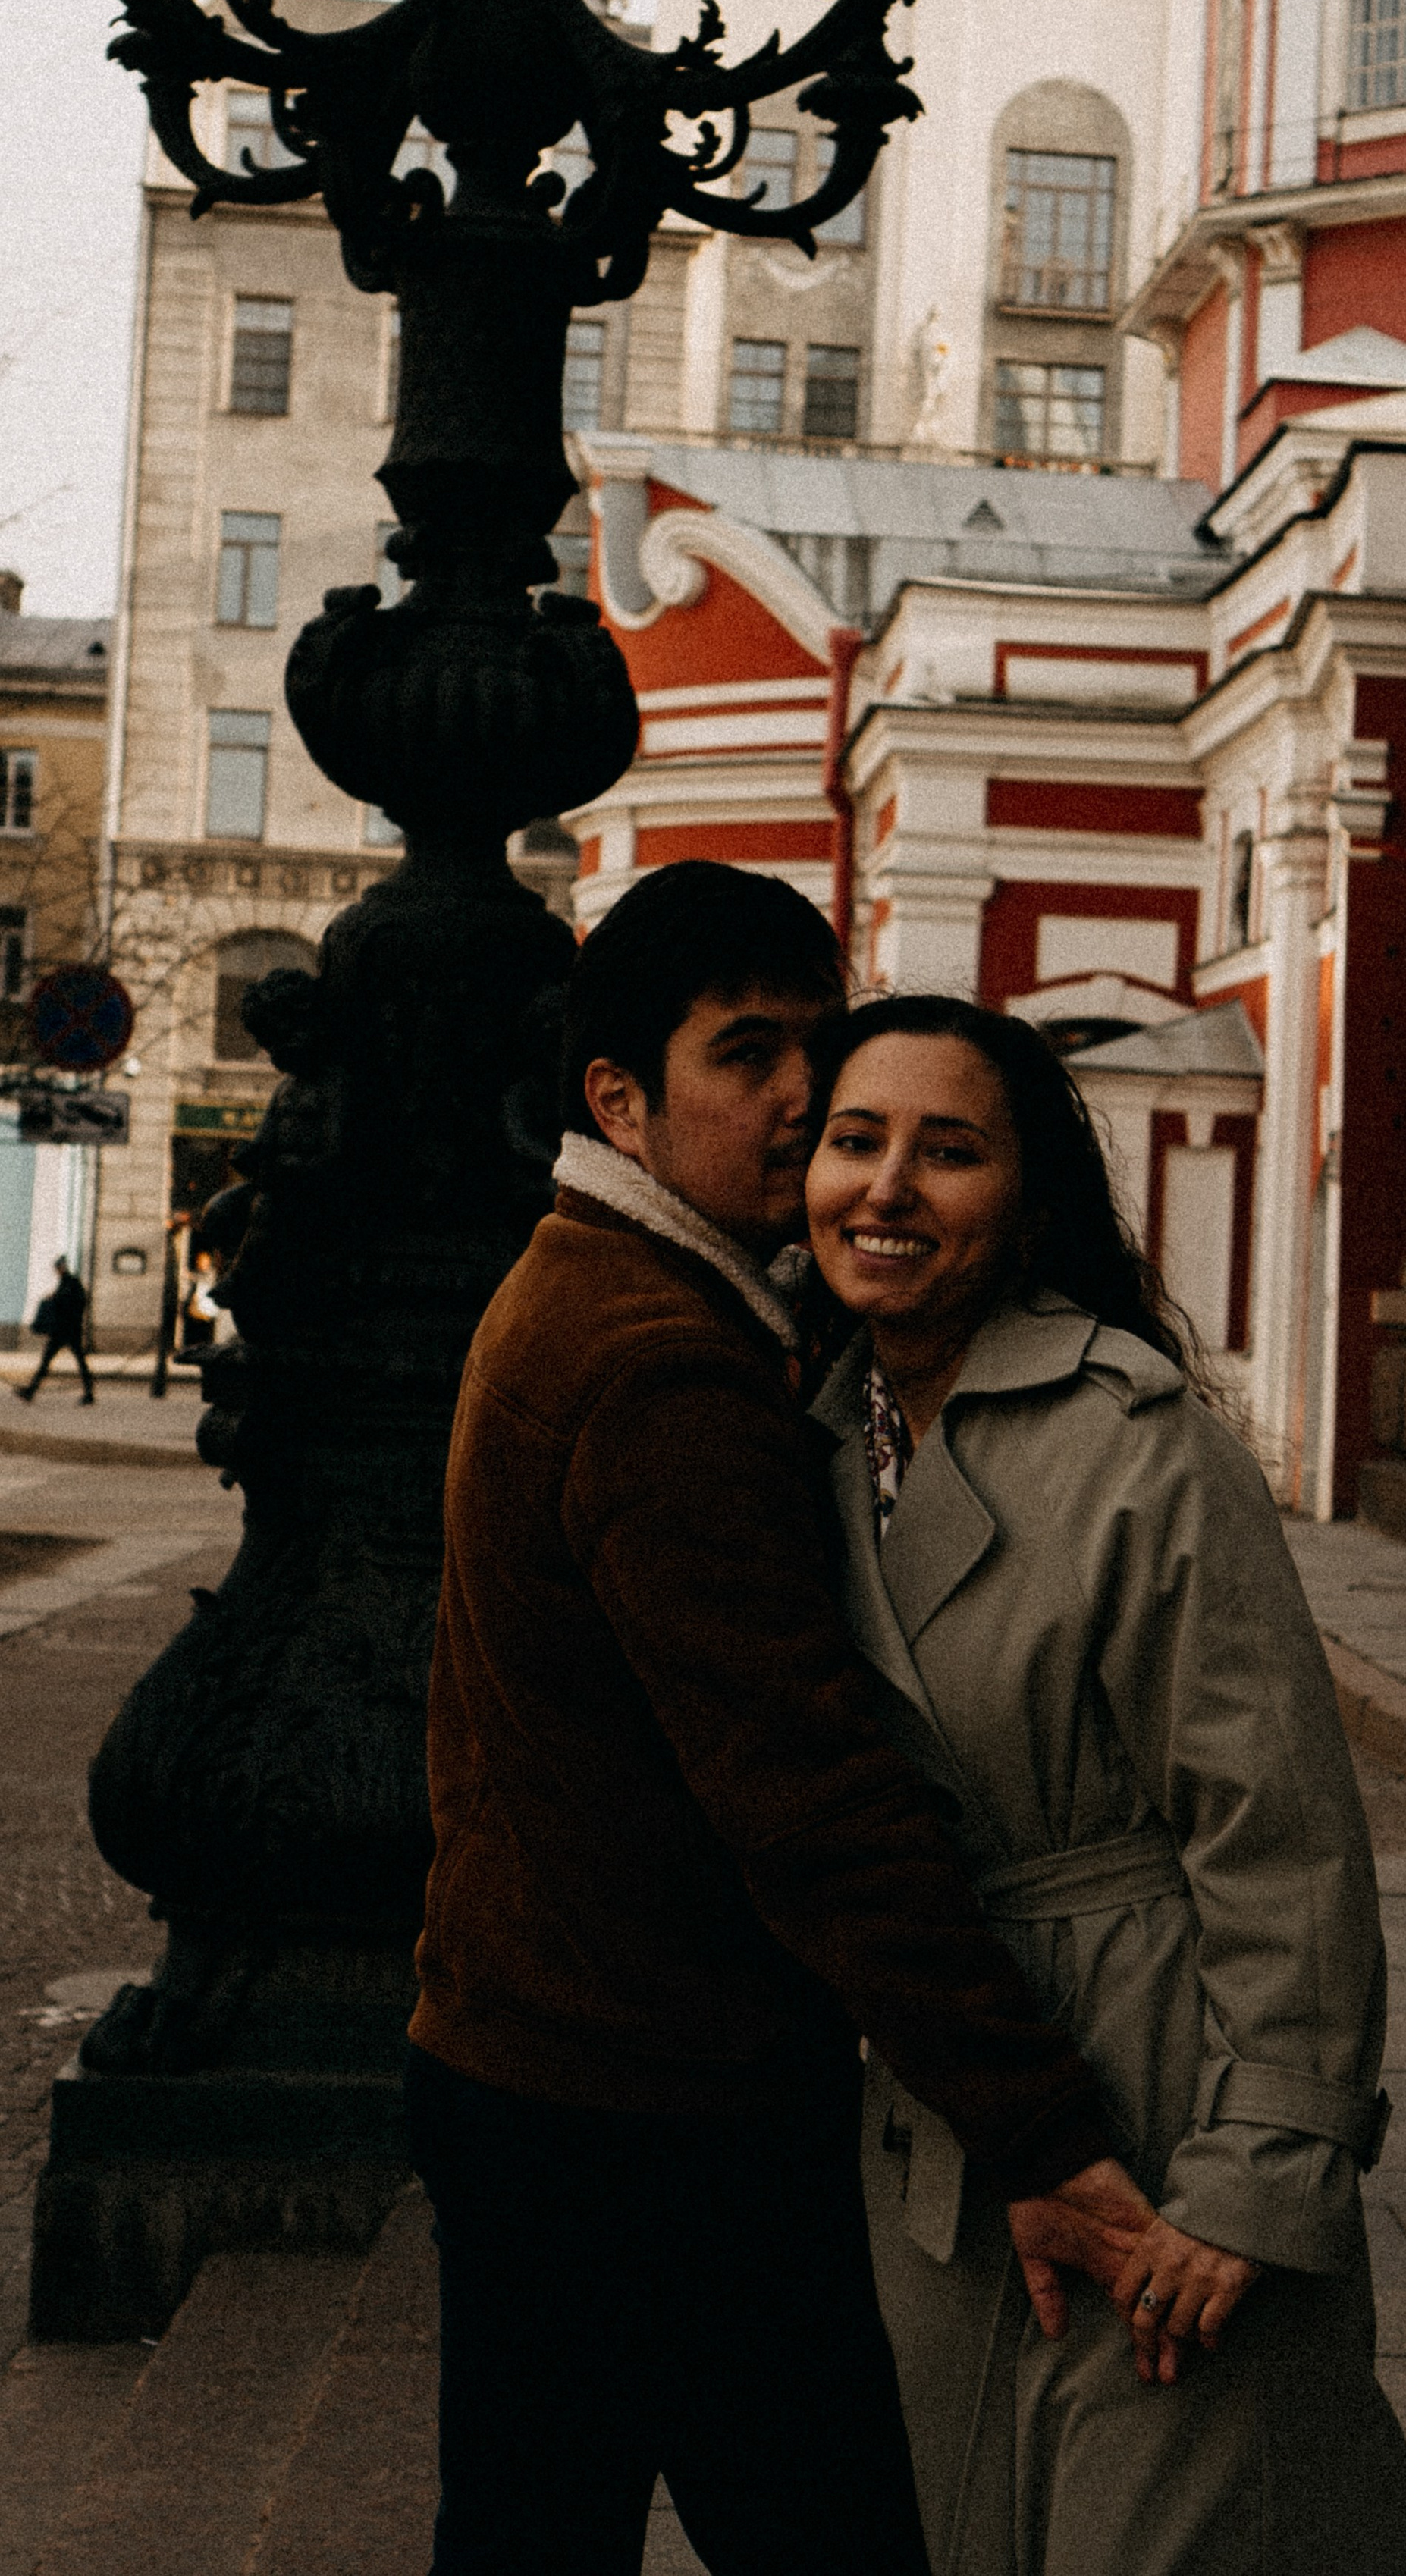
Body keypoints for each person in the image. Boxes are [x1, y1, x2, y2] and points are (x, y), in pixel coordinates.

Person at [407, 864, 1152, 2576]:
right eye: (747, 1053)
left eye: (816, 1042)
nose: (804, 1096)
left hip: (540, 2068)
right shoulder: (657, 1366)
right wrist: (1036, 2124)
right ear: (621, 1097)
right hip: (650, 2120)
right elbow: (807, 1795)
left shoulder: (600, 1281)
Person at [802, 994, 1406, 2576]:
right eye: (852, 1140)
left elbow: (1276, 1834)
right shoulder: (808, 1439)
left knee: (1171, 2526)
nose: (884, 1187)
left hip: (1158, 2093)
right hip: (948, 2119)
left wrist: (1261, 2172)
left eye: (946, 1151)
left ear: (1025, 1198)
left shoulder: (1136, 1440)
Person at [20, 1254, 94, 1405]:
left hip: (69, 1331)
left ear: (62, 1268)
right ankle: (31, 1390)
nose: (57, 1271)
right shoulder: (66, 1283)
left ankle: (89, 1393)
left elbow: (77, 1303)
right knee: (50, 1361)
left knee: (77, 1362)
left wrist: (56, 1301)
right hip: (64, 1331)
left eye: (58, 1268)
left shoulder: (71, 1283)